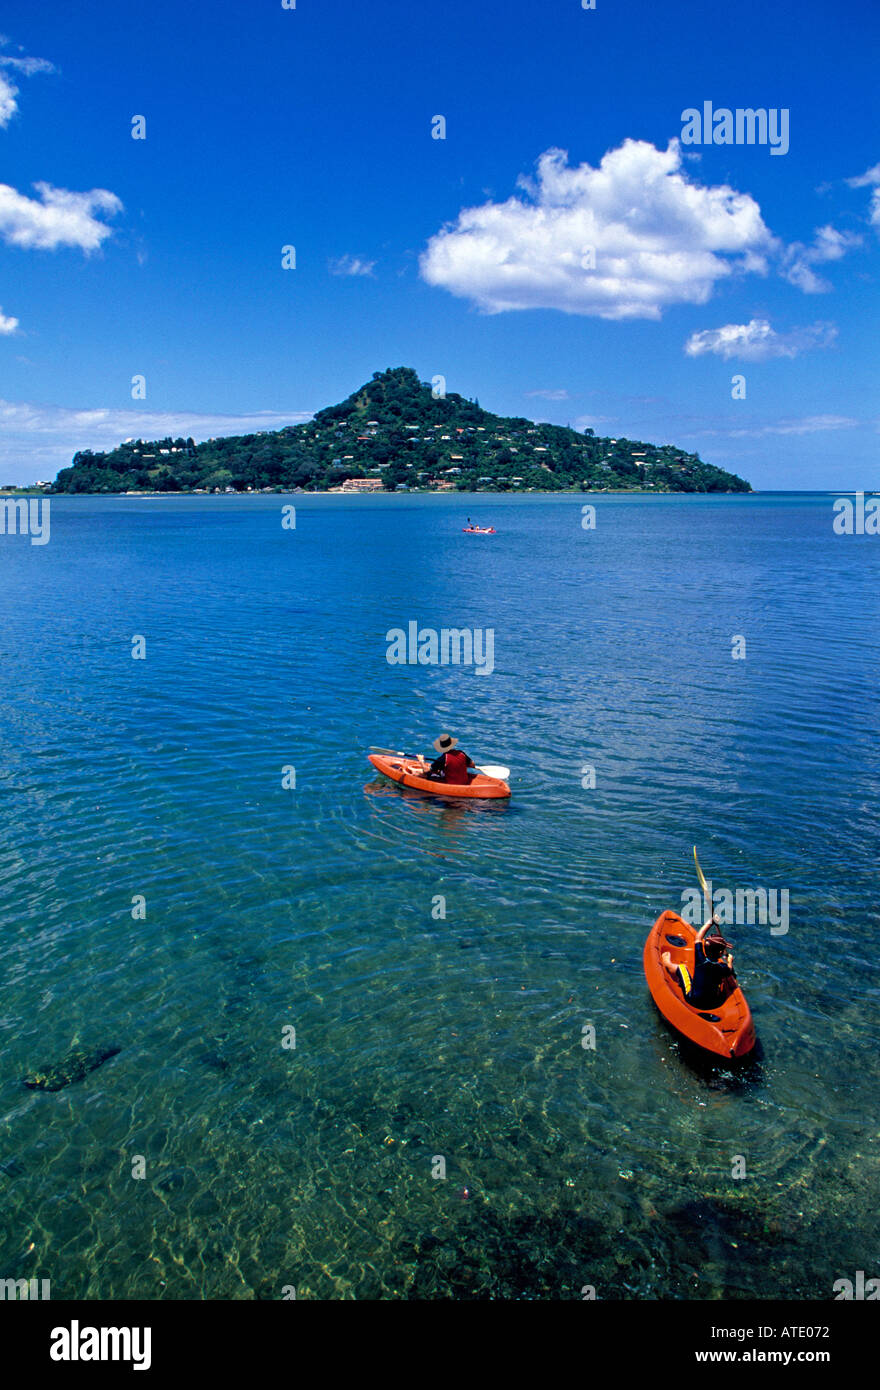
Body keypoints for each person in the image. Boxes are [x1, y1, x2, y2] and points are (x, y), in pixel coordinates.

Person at [662, 915, 735, 1009]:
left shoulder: (700, 959)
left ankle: (667, 963)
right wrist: (730, 961)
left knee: (682, 968)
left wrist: (711, 921)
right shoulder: (722, 968)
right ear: (721, 953)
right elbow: (729, 969)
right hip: (713, 1004)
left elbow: (698, 938)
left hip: (692, 1000)